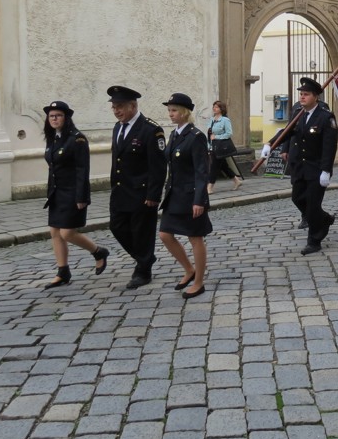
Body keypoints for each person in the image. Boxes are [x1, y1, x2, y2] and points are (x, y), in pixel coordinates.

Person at [262, 77, 338, 255]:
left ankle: (314, 240)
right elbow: (286, 132)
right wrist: (269, 144)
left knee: (312, 206)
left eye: (306, 94)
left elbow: (329, 146)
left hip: (317, 169)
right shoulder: (299, 115)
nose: (302, 97)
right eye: (301, 94)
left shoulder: (326, 117)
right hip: (300, 168)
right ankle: (324, 218)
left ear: (316, 97)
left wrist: (326, 170)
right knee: (297, 198)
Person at [42, 101, 109, 289]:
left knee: (67, 232)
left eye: (58, 115)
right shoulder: (53, 138)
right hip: (57, 192)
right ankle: (62, 271)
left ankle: (98, 252)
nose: (54, 119)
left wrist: (82, 197)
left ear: (66, 118)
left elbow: (82, 170)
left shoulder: (77, 139)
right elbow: (52, 168)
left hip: (72, 193)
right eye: (51, 116)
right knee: (55, 232)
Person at [107, 85, 168, 290]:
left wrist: (154, 194)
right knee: (116, 226)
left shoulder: (151, 130)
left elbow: (158, 166)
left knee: (142, 232)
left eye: (120, 106)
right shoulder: (118, 127)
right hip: (121, 190)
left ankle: (143, 271)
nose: (116, 110)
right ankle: (145, 258)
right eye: (114, 107)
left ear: (133, 106)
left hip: (142, 192)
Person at [158, 93, 212, 299]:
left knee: (195, 237)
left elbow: (202, 171)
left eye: (173, 110)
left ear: (184, 112)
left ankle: (199, 281)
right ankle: (189, 269)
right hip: (174, 194)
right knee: (165, 234)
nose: (170, 114)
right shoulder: (174, 134)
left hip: (190, 196)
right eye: (169, 110)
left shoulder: (196, 136)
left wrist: (200, 200)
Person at [207, 100, 243, 194]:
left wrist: (217, 137)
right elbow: (209, 134)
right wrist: (208, 145)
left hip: (221, 147)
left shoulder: (225, 120)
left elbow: (229, 133)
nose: (214, 108)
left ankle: (209, 187)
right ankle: (236, 181)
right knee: (223, 166)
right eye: (214, 106)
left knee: (214, 166)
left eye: (216, 107)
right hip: (213, 147)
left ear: (221, 109)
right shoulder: (212, 119)